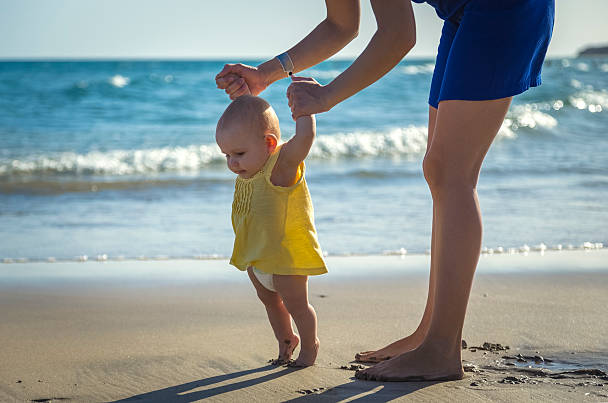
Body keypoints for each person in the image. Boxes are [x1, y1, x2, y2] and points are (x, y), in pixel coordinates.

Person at [216, 0, 554, 382]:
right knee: (440, 171)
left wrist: (326, 97)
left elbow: (398, 36)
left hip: (502, 7)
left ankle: (441, 349)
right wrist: (266, 73)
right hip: (464, 13)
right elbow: (342, 24)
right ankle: (431, 334)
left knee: (450, 172)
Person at [215, 92, 327, 367]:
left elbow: (303, 141)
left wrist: (305, 111)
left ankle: (310, 345)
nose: (232, 163)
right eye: (227, 155)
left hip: (286, 260)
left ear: (269, 143)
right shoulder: (248, 173)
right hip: (257, 258)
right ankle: (286, 339)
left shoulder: (280, 167)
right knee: (270, 302)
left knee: (297, 306)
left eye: (239, 154)